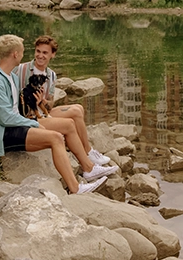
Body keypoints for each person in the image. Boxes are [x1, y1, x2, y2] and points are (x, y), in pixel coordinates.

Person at [0, 34, 117, 194]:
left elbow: (17, 108)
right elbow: (4, 118)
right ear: (15, 54)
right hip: (1, 133)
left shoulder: (12, 77)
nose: (25, 55)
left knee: (66, 126)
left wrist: (37, 109)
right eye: (22, 52)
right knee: (56, 137)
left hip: (15, 125)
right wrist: (35, 124)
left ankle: (88, 168)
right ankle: (76, 188)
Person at [14, 35, 113, 169]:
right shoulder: (21, 69)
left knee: (78, 109)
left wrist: (42, 100)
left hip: (42, 112)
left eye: (45, 52)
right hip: (28, 116)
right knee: (70, 121)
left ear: (52, 55)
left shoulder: (51, 75)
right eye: (38, 51)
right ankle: (87, 158)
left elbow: (49, 105)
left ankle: (88, 152)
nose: (40, 56)